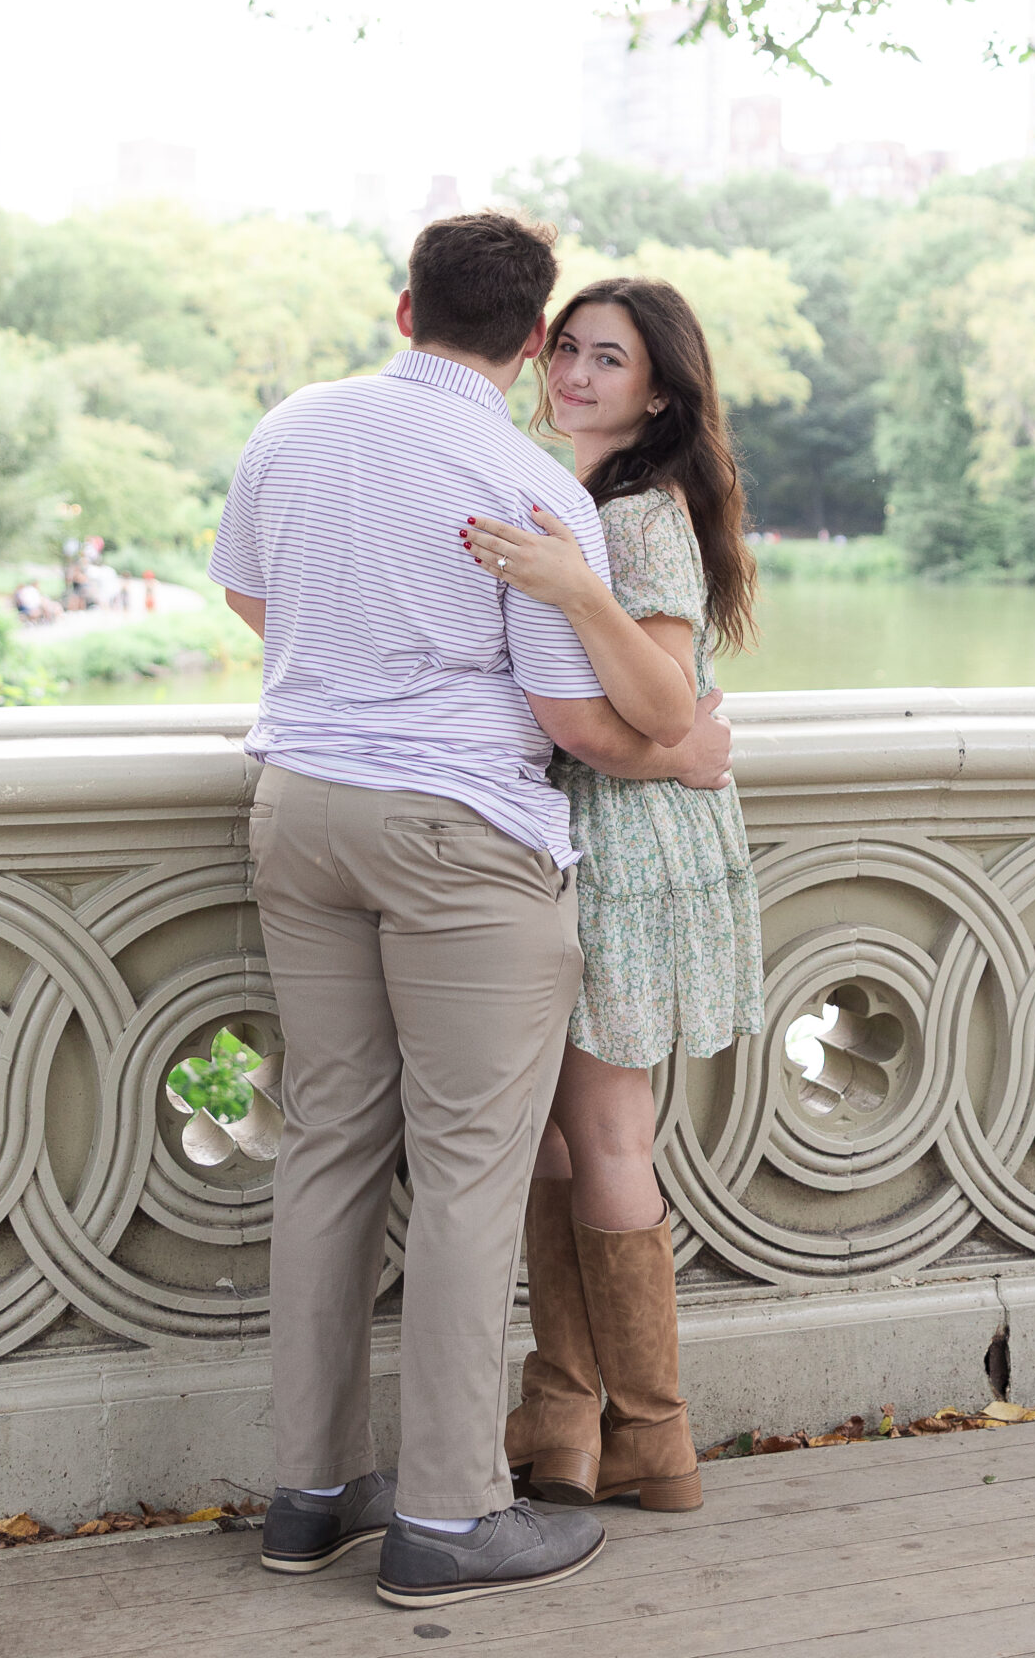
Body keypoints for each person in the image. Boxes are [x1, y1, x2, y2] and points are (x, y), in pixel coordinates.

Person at [210, 214, 733, 1612]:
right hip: (458, 842)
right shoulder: (527, 488)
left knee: (328, 1145)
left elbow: (253, 595)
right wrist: (680, 751)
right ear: (528, 341)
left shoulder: (292, 428)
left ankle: (309, 1497)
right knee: (465, 1174)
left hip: (297, 808)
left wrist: (360, 675)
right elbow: (574, 718)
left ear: (404, 310)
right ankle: (446, 1515)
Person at [461, 277, 763, 1516]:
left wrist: (575, 590)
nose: (575, 375)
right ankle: (567, 1417)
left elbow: (663, 705)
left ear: (658, 395)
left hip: (625, 847)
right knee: (557, 1135)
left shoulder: (637, 516)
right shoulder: (589, 498)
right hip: (594, 830)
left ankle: (649, 1432)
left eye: (608, 360)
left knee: (602, 1136)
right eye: (568, 350)